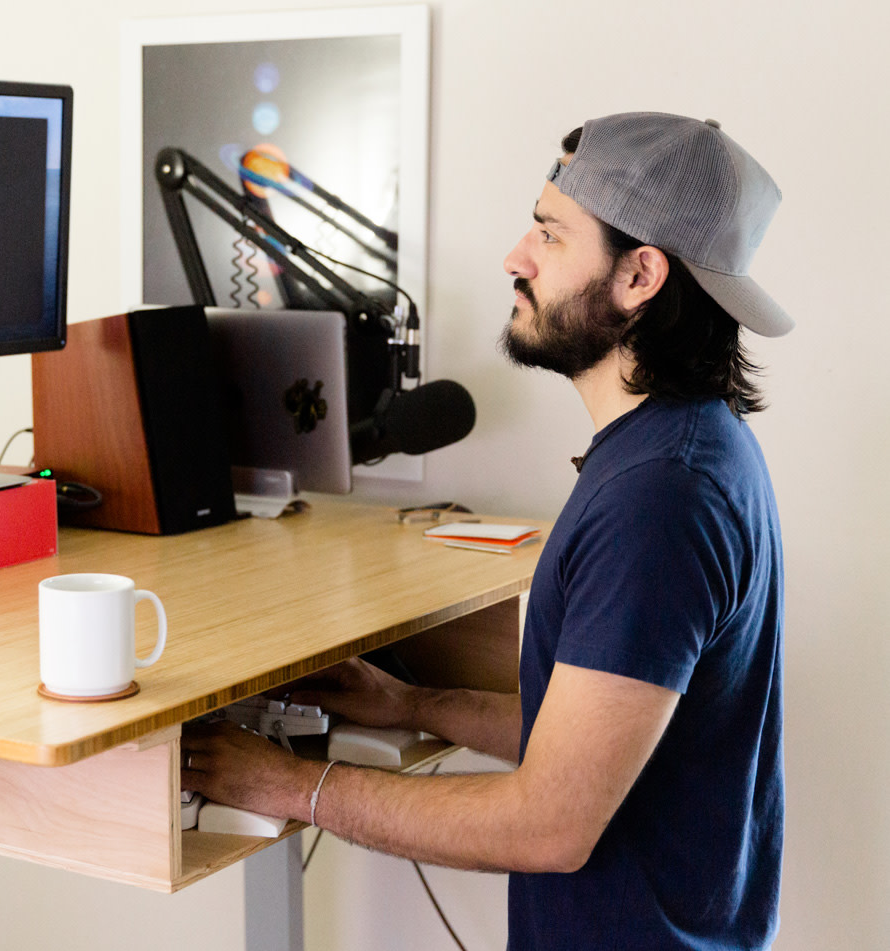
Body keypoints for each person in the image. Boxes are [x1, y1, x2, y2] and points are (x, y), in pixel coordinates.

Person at [181, 112, 789, 950]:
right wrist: (411, 704)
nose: (516, 256)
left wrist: (294, 786)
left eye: (549, 233)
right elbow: (591, 734)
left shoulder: (661, 497)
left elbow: (548, 821)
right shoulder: (685, 445)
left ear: (640, 275)